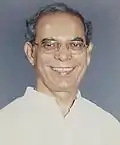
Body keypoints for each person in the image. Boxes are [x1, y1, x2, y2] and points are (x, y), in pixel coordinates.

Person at [0, 2, 120, 145]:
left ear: (87, 53)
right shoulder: (5, 126)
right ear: (31, 53)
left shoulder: (109, 128)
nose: (63, 56)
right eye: (50, 45)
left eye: (75, 45)